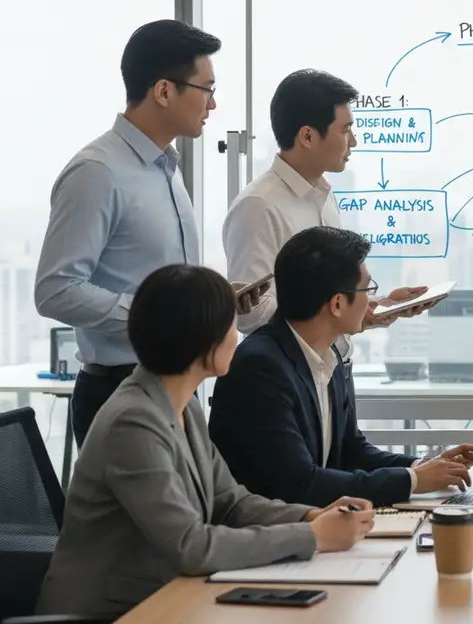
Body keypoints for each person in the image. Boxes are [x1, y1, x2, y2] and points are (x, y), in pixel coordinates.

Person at [35, 265, 374, 618]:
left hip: (166, 596)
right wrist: (314, 538)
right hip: (110, 612)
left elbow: (230, 503)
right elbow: (191, 546)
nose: (236, 337)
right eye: (230, 324)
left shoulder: (183, 406)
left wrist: (311, 516)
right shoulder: (132, 422)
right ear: (202, 338)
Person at [34, 20, 264, 445]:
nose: (212, 104)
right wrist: (158, 320)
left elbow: (162, 283)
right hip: (120, 390)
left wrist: (209, 302)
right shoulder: (98, 172)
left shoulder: (165, 169)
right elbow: (55, 290)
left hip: (176, 387)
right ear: (163, 91)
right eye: (206, 89)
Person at [209, 226, 473, 507]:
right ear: (338, 304)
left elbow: (350, 451)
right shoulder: (260, 368)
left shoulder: (329, 355)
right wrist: (412, 480)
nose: (371, 300)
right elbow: (298, 484)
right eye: (368, 289)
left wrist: (425, 465)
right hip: (270, 539)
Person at [222, 69, 436, 408]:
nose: (353, 142)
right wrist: (337, 313)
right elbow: (250, 314)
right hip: (289, 380)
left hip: (333, 370)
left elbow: (324, 296)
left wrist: (371, 305)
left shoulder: (323, 195)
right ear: (308, 136)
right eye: (345, 130)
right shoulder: (259, 205)